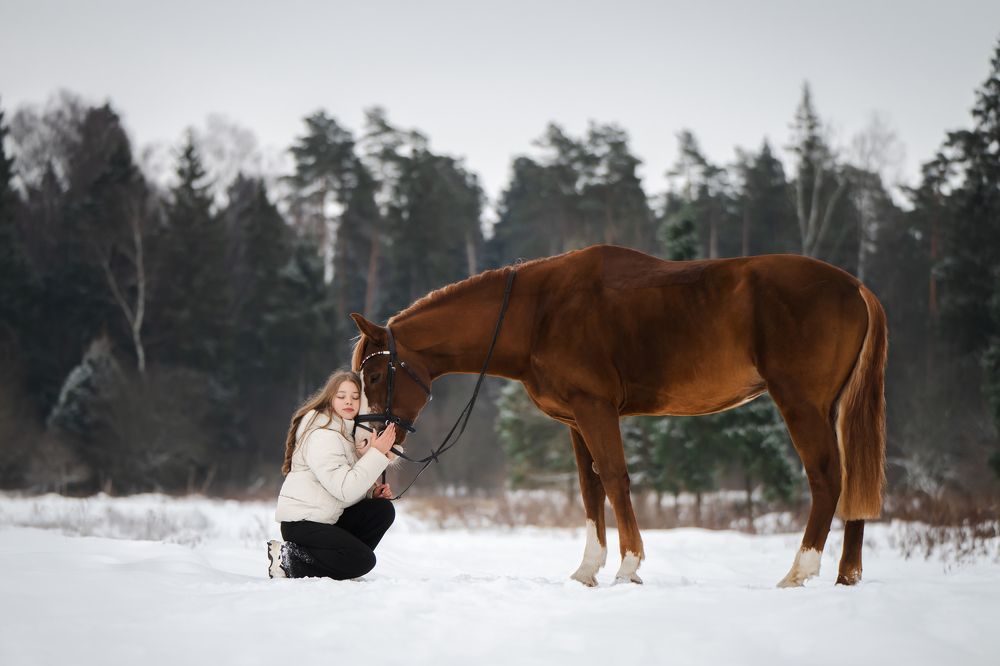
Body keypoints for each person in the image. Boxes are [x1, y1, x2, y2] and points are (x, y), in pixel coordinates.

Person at [267, 370, 398, 580]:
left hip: (326, 519)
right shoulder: (323, 435)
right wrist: (376, 454)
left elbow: (344, 486)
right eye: (341, 396)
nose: (349, 401)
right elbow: (344, 490)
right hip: (303, 524)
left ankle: (340, 566)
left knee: (381, 510)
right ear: (330, 399)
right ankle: (289, 559)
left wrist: (371, 494)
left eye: (355, 397)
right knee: (364, 561)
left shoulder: (345, 436)